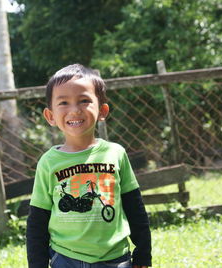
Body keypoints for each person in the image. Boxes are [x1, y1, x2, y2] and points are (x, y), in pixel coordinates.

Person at [26, 64, 152, 268]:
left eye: (84, 100)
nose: (74, 110)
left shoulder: (116, 154)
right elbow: (37, 222)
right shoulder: (48, 162)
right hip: (65, 259)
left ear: (102, 110)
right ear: (50, 116)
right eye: (64, 102)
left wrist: (143, 253)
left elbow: (135, 208)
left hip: (115, 259)